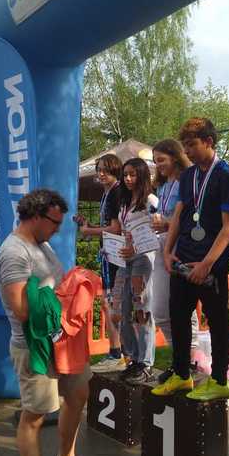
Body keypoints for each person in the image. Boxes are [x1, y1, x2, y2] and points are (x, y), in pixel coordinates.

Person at [0, 189, 96, 456]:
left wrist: (73, 289)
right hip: (34, 347)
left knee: (79, 393)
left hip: (61, 342)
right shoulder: (14, 253)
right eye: (54, 223)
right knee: (35, 415)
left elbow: (54, 286)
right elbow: (22, 310)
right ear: (36, 217)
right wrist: (61, 299)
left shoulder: (42, 244)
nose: (57, 230)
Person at [152, 117, 229, 401]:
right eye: (185, 146)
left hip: (210, 263)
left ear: (209, 142)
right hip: (183, 257)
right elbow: (179, 214)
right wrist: (168, 251)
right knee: (178, 315)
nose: (187, 151)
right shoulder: (188, 175)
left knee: (217, 320)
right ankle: (181, 375)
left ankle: (219, 380)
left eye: (192, 145)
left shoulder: (226, 175)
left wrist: (206, 264)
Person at [149, 139, 199, 384]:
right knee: (160, 310)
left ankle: (189, 360)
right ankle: (180, 358)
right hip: (161, 246)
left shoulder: (187, 182)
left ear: (176, 157)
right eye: (155, 161)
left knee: (182, 306)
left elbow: (193, 218)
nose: (158, 165)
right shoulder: (162, 185)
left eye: (161, 160)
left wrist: (168, 224)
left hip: (181, 247)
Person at [113, 158, 158, 385]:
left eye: (133, 174)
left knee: (142, 310)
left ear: (142, 175)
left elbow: (157, 233)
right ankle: (132, 358)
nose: (128, 179)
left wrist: (136, 248)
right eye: (125, 175)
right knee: (121, 310)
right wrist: (111, 247)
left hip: (143, 260)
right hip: (124, 261)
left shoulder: (151, 200)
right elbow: (122, 231)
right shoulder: (124, 202)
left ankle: (145, 363)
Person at [78, 154, 124, 373]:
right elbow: (109, 225)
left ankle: (118, 353)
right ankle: (119, 352)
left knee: (111, 304)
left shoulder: (116, 192)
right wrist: (90, 226)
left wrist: (90, 231)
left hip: (116, 255)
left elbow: (116, 228)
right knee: (110, 303)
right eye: (99, 169)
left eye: (106, 169)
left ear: (115, 171)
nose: (101, 173)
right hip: (109, 254)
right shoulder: (108, 192)